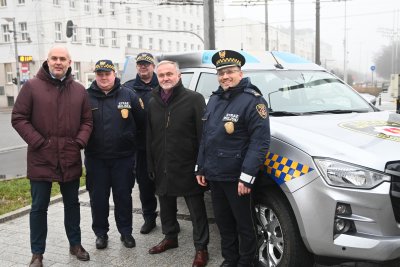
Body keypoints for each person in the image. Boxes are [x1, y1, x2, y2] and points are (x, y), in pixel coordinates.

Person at [11, 45, 93, 267]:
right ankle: (37, 253)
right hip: (41, 158)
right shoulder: (32, 87)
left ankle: (75, 244)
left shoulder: (78, 90)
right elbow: (18, 117)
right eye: (54, 58)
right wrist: (38, 142)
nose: (58, 62)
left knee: (72, 204)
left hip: (69, 156)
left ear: (69, 62)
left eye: (62, 59)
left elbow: (87, 121)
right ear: (47, 61)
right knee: (39, 207)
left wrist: (78, 142)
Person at [196, 50, 271, 267]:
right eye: (220, 73)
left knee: (244, 225)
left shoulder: (253, 101)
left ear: (240, 73)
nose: (224, 77)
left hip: (237, 178)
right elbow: (206, 137)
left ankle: (247, 262)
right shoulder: (215, 99)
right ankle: (230, 259)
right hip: (215, 174)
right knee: (224, 223)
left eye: (229, 72)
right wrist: (201, 167)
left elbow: (260, 142)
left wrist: (247, 177)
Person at [146, 60, 210, 267]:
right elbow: (150, 136)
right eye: (161, 75)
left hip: (188, 165)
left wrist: (202, 166)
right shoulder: (152, 101)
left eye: (169, 74)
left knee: (196, 209)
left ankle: (201, 248)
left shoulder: (194, 99)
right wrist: (150, 164)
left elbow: (204, 137)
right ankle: (170, 237)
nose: (165, 78)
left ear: (178, 75)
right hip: (162, 163)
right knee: (165, 204)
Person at [84, 60, 144, 250]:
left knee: (123, 197)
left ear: (114, 73)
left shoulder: (129, 94)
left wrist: (131, 144)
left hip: (123, 159)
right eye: (100, 74)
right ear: (96, 75)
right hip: (96, 159)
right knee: (98, 199)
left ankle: (126, 232)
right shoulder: (85, 97)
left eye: (107, 73)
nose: (103, 77)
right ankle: (101, 233)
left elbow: (142, 124)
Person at [123, 52, 158, 234]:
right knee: (144, 184)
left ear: (153, 66)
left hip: (161, 145)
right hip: (140, 147)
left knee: (166, 185)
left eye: (147, 64)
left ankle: (170, 218)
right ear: (137, 67)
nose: (143, 67)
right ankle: (149, 218)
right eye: (140, 64)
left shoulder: (163, 86)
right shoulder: (128, 88)